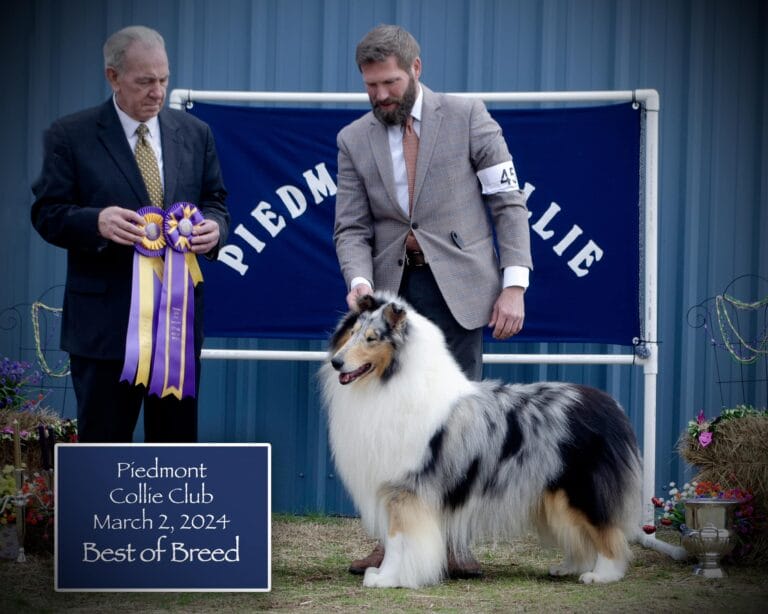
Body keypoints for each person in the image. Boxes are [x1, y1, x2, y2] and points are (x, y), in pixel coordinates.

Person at [334, 25, 533, 577]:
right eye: (371, 86)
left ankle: (454, 543)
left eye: (389, 82)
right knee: (386, 427)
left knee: (458, 425)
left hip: (462, 292)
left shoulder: (469, 116)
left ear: (416, 69)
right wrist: (357, 281)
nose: (380, 96)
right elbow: (350, 227)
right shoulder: (353, 139)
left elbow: (507, 203)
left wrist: (513, 283)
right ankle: (390, 539)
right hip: (389, 304)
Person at [31, 25, 229, 443]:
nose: (157, 91)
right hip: (104, 331)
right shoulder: (70, 135)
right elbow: (47, 213)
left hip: (177, 331)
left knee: (175, 449)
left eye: (163, 79)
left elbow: (215, 200)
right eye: (145, 82)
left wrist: (215, 228)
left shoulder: (195, 134)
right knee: (103, 449)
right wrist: (95, 221)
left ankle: (172, 512)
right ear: (113, 77)